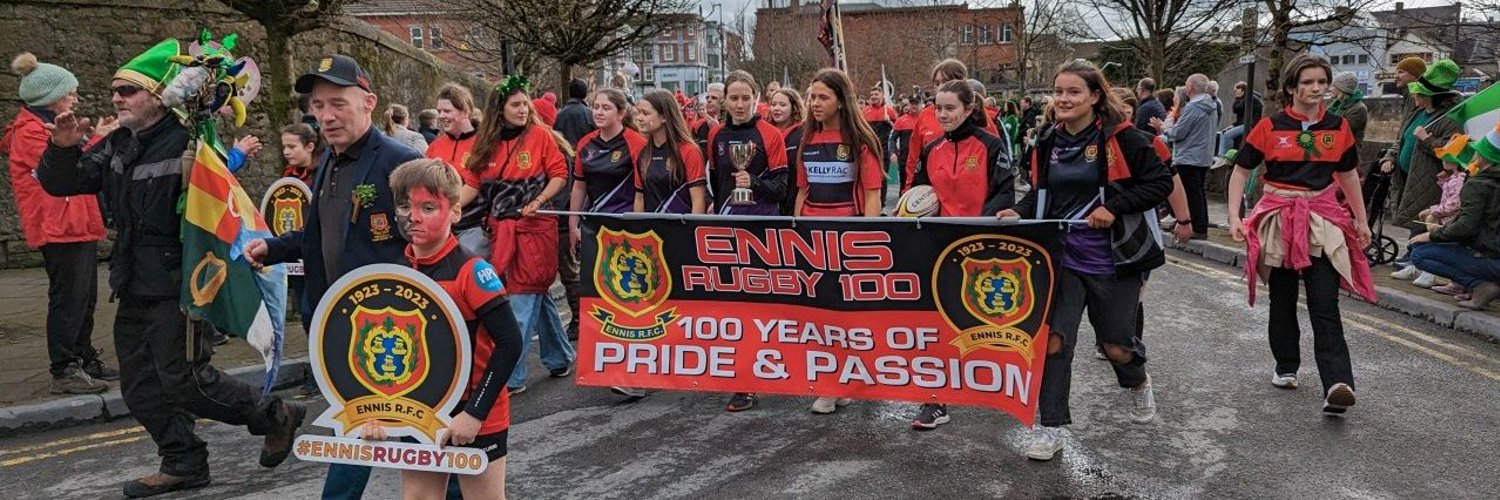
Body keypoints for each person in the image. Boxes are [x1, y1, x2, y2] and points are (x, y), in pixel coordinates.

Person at [41, 40, 304, 497]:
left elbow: (218, 208)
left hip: (181, 284)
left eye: (128, 90)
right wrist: (62, 149)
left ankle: (274, 413)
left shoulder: (190, 144)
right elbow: (68, 180)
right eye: (115, 90)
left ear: (157, 96)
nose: (117, 98)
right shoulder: (119, 144)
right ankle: (183, 460)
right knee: (139, 388)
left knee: (187, 382)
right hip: (132, 280)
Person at [245, 53, 428, 500]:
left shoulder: (399, 161)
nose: (325, 115)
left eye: (337, 104)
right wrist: (273, 247)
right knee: (391, 426)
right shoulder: (329, 160)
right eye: (318, 105)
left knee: (380, 423)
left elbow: (432, 239)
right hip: (339, 322)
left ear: (369, 102)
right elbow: (318, 230)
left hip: (391, 325)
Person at [996, 59, 1172, 461]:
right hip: (1062, 260)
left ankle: (1138, 381)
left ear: (1095, 96)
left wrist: (1115, 206)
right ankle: (1050, 426)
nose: (1063, 99)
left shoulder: (1123, 138)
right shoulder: (1046, 141)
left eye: (1073, 91)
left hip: (1115, 260)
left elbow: (1159, 182)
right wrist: (1019, 212)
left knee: (1115, 345)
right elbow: (1040, 193)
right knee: (1054, 342)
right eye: (1058, 91)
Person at [358, 158, 523, 500]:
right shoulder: (394, 275)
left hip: (477, 413)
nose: (413, 216)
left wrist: (474, 414)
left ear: (456, 213)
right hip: (418, 411)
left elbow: (510, 343)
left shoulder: (472, 271)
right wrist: (377, 411)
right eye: (405, 206)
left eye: (428, 207)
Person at [1227, 54, 1374, 416]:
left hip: (1321, 219)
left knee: (1326, 303)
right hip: (1278, 218)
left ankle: (1338, 384)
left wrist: (1361, 220)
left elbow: (1349, 175)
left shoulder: (1338, 127)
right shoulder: (1270, 126)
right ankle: (1287, 366)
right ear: (1293, 86)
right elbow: (1241, 170)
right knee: (1283, 297)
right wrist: (1234, 216)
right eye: (1307, 82)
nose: (1316, 89)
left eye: (1321, 82)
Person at [905, 79, 1016, 428]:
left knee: (988, 324)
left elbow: (1005, 194)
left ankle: (1005, 391)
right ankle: (935, 401)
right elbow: (919, 194)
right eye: (938, 108)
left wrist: (976, 228)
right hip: (940, 247)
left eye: (949, 108)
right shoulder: (932, 148)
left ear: (969, 109)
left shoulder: (991, 145)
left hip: (982, 249)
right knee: (937, 325)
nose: (942, 114)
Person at [3, 52, 115, 395]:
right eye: (70, 92)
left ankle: (82, 357)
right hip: (58, 224)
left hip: (72, 221)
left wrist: (96, 138)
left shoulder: (46, 127)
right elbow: (65, 168)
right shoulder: (31, 133)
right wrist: (100, 139)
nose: (75, 97)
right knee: (69, 299)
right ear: (50, 98)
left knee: (84, 298)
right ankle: (64, 368)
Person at [462, 75, 574, 394]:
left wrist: (538, 201)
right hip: (503, 231)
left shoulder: (540, 135)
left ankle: (511, 376)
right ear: (500, 109)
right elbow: (472, 182)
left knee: (522, 301)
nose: (523, 109)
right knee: (537, 295)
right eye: (516, 104)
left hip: (535, 229)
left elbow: (559, 175)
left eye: (525, 103)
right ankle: (559, 356)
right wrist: (451, 206)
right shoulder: (486, 143)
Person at [1386, 60, 1462, 286]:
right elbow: (1401, 139)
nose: (1414, 97)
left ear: (1430, 96)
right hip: (1410, 175)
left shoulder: (1449, 119)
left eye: (1419, 93)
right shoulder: (1419, 113)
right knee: (1417, 220)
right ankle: (1414, 263)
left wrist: (1427, 140)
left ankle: (1429, 266)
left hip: (1431, 179)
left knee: (1430, 222)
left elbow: (1452, 151)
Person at [1408, 123, 1500, 309]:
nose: (1473, 155)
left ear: (1483, 157)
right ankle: (1477, 286)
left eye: (1476, 152)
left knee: (1418, 253)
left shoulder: (1478, 184)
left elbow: (1466, 226)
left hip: (1491, 256)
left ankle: (1481, 286)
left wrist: (1431, 235)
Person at [903, 59, 1000, 191]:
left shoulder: (977, 115)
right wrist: (909, 190)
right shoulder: (925, 115)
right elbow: (913, 157)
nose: (941, 87)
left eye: (946, 81)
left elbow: (995, 156)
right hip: (933, 192)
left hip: (970, 192)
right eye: (937, 83)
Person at [707, 70, 791, 218]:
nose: (740, 105)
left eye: (746, 98)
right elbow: (715, 183)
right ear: (725, 100)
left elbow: (781, 189)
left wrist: (754, 182)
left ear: (754, 98)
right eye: (734, 98)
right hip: (726, 220)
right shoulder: (715, 134)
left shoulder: (771, 134)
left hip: (762, 221)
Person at [1153, 74, 1216, 239]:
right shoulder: (1211, 105)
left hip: (1188, 155)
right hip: (1203, 155)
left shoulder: (1194, 107)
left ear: (1190, 88)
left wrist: (1162, 128)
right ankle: (1197, 224)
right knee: (1197, 192)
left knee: (1189, 193)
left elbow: (1178, 132)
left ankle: (1194, 226)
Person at [426, 83, 485, 258]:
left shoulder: (483, 143)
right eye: (439, 111)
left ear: (465, 112)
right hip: (442, 225)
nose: (441, 116)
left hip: (474, 226)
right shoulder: (435, 146)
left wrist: (444, 209)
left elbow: (476, 184)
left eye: (447, 111)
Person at [634, 89, 707, 215]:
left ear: (664, 117)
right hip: (651, 231)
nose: (639, 118)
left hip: (680, 230)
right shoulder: (643, 153)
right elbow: (639, 197)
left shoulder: (689, 151)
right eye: (638, 113)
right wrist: (638, 230)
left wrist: (691, 231)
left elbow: (698, 200)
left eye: (645, 113)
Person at [768, 87, 806, 215]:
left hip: (794, 197)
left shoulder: (802, 134)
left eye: (782, 105)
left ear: (793, 107)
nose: (776, 108)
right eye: (773, 104)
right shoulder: (765, 132)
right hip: (770, 200)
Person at [1212, 82, 1263, 168]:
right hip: (1242, 123)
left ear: (1243, 90)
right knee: (1224, 133)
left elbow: (1238, 108)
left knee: (1228, 135)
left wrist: (1238, 98)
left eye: (1237, 90)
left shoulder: (1250, 98)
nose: (1235, 92)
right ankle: (1224, 156)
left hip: (1249, 125)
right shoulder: (1244, 98)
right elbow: (1235, 109)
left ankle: (1222, 157)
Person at [1329, 72, 1368, 147]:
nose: (1330, 89)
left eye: (1333, 86)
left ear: (1341, 89)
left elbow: (1342, 132)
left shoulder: (1358, 109)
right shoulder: (1335, 105)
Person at [554, 78, 596, 147]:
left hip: (566, 153)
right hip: (586, 153)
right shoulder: (590, 114)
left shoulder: (561, 114)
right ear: (585, 93)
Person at [891, 97, 919, 187]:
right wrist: (893, 152)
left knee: (919, 187)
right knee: (904, 186)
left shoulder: (924, 119)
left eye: (916, 104)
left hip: (921, 160)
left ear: (920, 105)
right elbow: (892, 139)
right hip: (905, 159)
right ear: (908, 105)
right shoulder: (901, 120)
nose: (914, 106)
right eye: (912, 104)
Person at [694, 82, 725, 154]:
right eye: (707, 97)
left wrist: (716, 130)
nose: (709, 100)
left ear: (723, 101)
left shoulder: (731, 124)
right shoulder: (699, 126)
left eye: (714, 98)